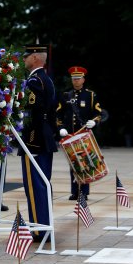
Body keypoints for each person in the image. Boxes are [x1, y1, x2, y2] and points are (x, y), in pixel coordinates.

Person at [19, 44, 57, 242]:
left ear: (35, 58)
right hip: (45, 138)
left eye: (26, 56)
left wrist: (26, 139)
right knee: (43, 183)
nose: (24, 60)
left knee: (35, 186)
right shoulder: (46, 79)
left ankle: (39, 229)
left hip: (34, 141)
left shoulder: (34, 81)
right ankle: (44, 225)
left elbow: (31, 114)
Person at [57, 66, 103, 200]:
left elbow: (99, 113)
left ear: (83, 79)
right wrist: (61, 128)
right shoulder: (66, 96)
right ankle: (75, 191)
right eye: (74, 79)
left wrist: (94, 122)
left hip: (84, 135)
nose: (76, 81)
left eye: (78, 79)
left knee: (85, 162)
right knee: (73, 162)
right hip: (70, 135)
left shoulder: (90, 95)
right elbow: (58, 114)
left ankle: (84, 191)